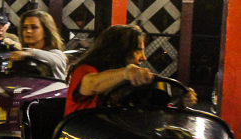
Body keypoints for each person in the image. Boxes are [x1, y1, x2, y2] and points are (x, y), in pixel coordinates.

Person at [65, 24, 197, 115]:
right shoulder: (85, 70)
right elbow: (92, 84)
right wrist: (127, 72)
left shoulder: (130, 81)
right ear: (120, 50)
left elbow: (154, 112)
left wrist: (180, 103)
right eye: (138, 51)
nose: (144, 58)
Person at [7, 10, 67, 79]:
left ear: (46, 31)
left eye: (34, 27)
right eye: (25, 27)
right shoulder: (20, 56)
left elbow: (56, 60)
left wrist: (29, 52)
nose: (28, 31)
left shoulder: (56, 54)